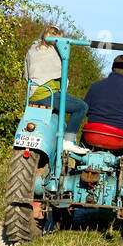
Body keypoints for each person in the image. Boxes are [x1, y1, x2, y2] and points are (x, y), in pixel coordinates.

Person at [23, 24, 90, 154]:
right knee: (82, 107)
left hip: (33, 96)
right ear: (57, 39)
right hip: (49, 95)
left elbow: (26, 75)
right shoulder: (54, 53)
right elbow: (63, 78)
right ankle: (68, 141)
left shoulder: (32, 50)